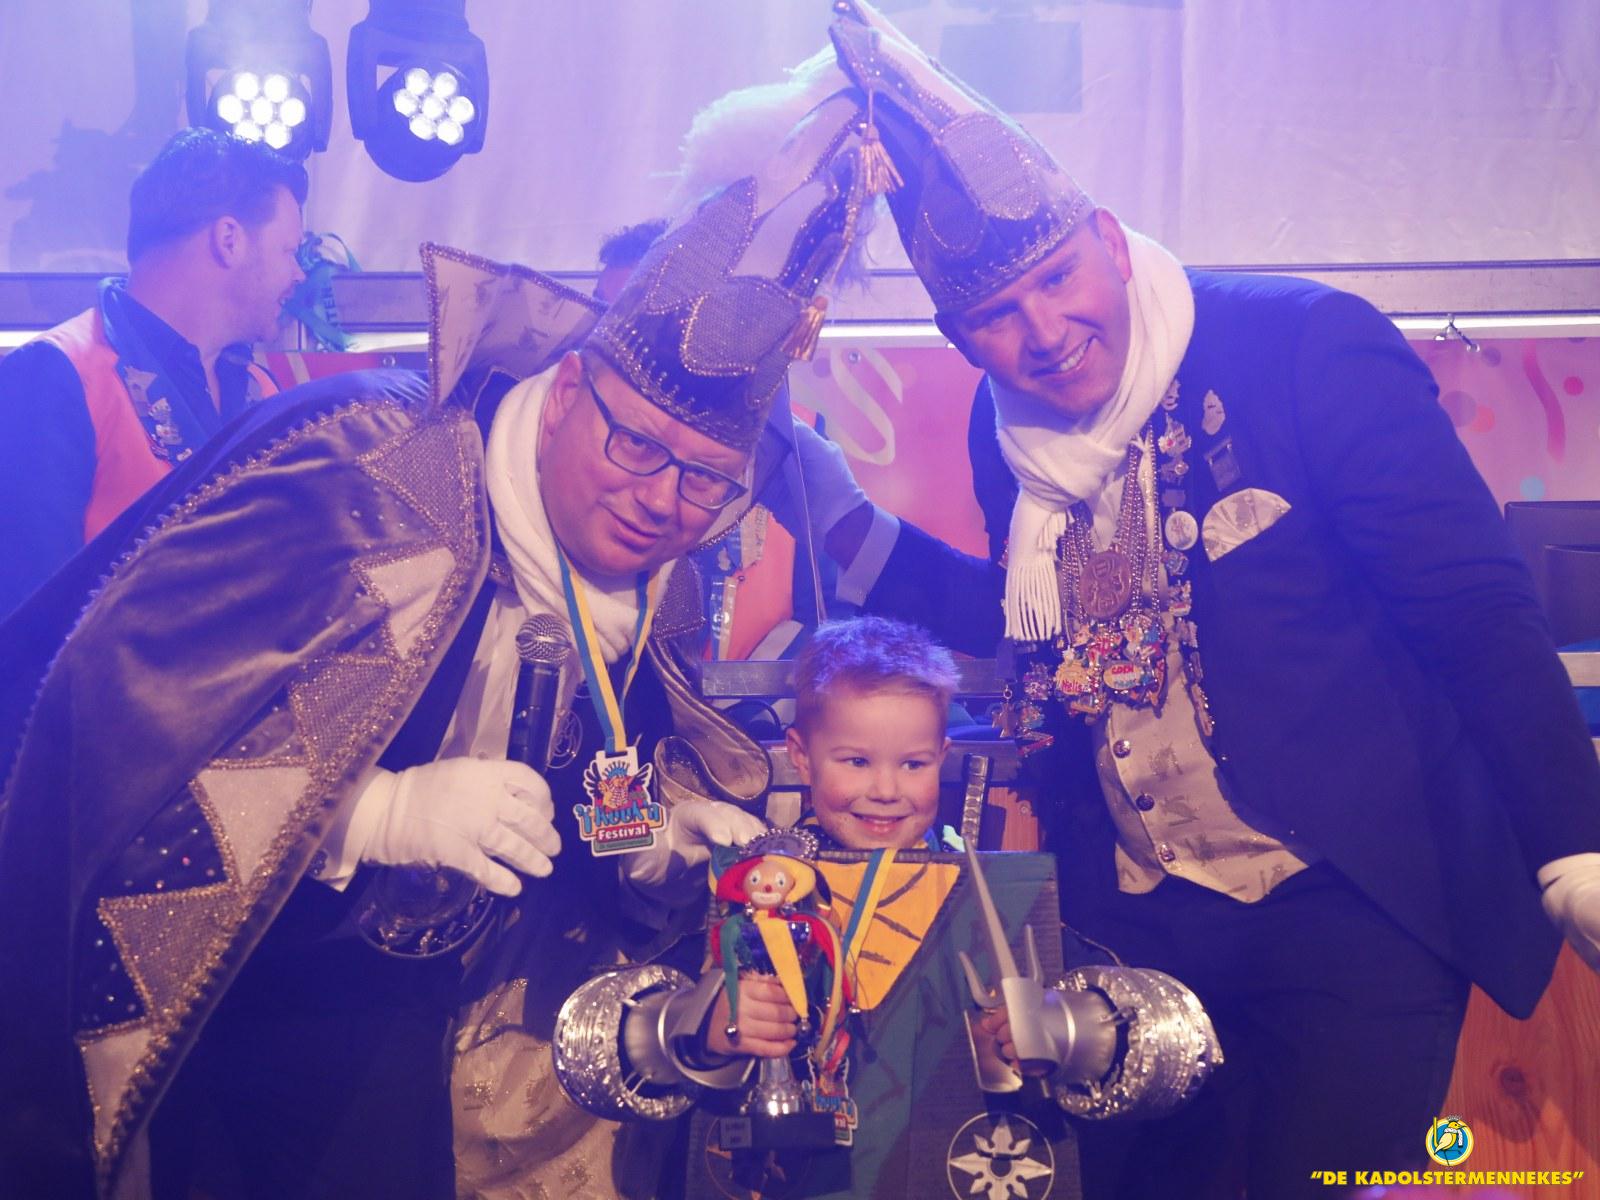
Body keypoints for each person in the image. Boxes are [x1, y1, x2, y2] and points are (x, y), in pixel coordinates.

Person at [0, 86, 873, 1200]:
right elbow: (112, 722)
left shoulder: (642, 578)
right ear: (567, 392)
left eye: (707, 481)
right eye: (638, 447)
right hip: (258, 1027)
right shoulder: (354, 465)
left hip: (447, 1056)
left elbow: (582, 789)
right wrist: (367, 813)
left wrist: (653, 833)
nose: (663, 501)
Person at [809, 3, 1600, 1196]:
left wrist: (1573, 839)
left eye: (1058, 279)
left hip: (1348, 902)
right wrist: (832, 509)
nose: (1044, 333)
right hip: (1135, 919)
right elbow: (1035, 633)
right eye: (995, 316)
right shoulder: (999, 428)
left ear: (1109, 239)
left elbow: (1473, 607)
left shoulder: (1303, 344)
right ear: (957, 336)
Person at [552, 616, 1218, 1200]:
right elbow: (589, 1045)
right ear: (801, 756)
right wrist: (699, 1022)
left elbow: (1179, 1042)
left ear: (943, 758)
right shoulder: (758, 889)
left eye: (913, 764)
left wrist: (1068, 1030)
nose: (885, 790)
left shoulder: (990, 897)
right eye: (855, 760)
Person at [0, 126, 306, 618]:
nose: (299, 273)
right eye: (289, 251)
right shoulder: (58, 373)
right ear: (229, 240)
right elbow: (28, 627)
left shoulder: (261, 388)